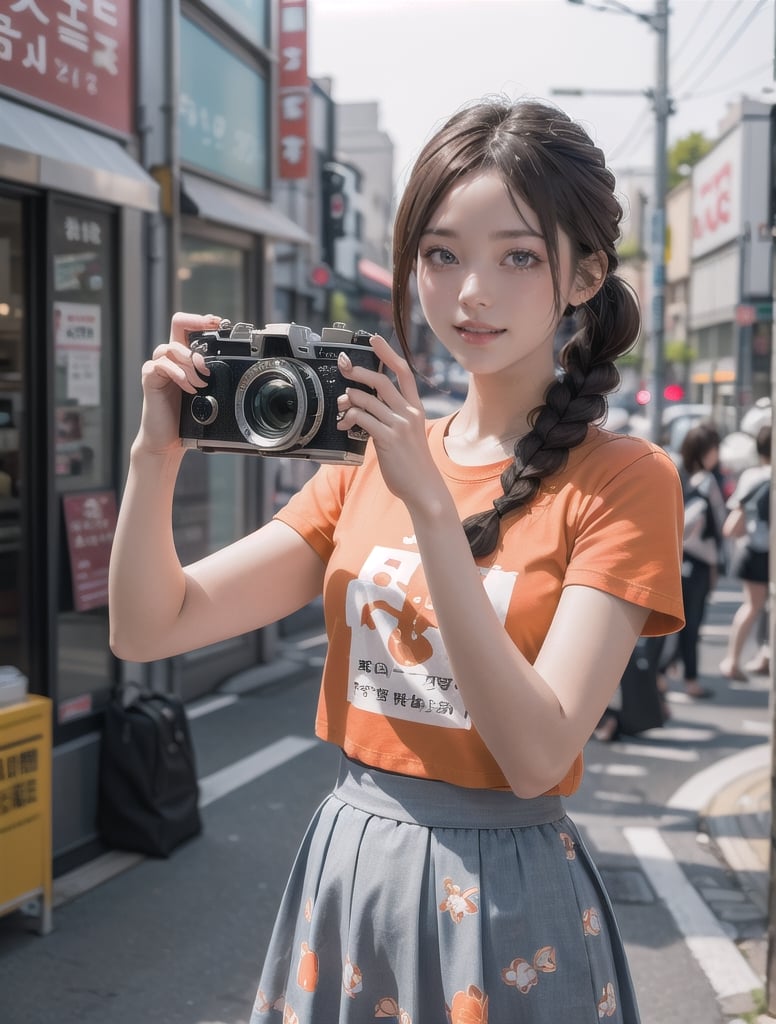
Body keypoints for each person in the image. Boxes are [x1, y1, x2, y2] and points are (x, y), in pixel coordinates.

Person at [109, 98, 684, 1024]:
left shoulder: (624, 480)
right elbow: (150, 626)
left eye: (519, 256)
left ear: (586, 276)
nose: (472, 293)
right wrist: (155, 456)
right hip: (350, 871)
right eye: (442, 253)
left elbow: (538, 753)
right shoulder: (374, 457)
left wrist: (429, 503)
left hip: (502, 900)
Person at [720, 423, 771, 681]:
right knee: (759, 607)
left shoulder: (752, 476)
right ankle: (757, 657)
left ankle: (738, 659)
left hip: (751, 550)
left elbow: (734, 522)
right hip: (765, 552)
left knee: (753, 606)